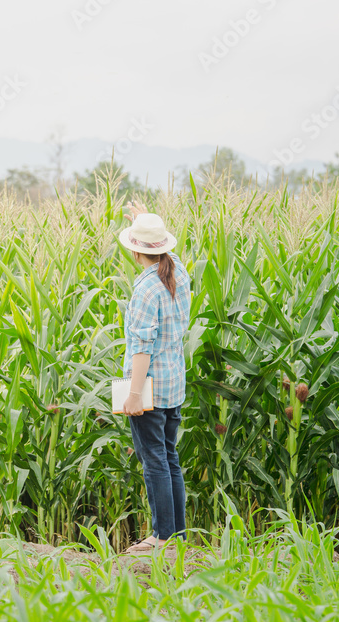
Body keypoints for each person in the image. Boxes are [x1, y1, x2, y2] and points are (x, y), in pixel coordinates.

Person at [118, 201, 192, 553]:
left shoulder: (146, 289)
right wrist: (144, 223)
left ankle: (162, 537)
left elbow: (142, 348)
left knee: (154, 461)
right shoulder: (178, 272)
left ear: (135, 251)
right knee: (169, 456)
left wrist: (134, 395)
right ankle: (176, 534)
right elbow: (167, 254)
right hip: (174, 384)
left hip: (149, 388)